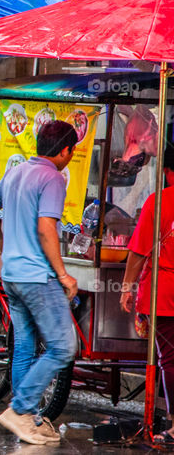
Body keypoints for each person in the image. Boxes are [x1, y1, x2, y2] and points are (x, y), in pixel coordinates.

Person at [0, 120, 79, 446]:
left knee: (24, 346)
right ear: (65, 150)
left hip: (12, 275)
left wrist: (1, 247)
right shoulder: (52, 177)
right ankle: (21, 409)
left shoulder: (17, 172)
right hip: (37, 278)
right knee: (64, 346)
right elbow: (46, 229)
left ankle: (29, 419)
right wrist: (63, 274)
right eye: (71, 150)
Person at [120, 147, 174, 445]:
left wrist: (127, 287)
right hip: (165, 291)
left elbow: (139, 251)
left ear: (166, 172)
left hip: (165, 293)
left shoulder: (159, 202)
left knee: (169, 359)